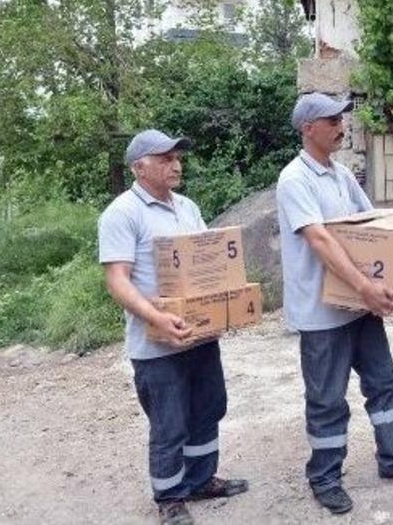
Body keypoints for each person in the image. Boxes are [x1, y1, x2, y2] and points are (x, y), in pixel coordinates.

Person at [275, 92, 393, 516]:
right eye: (332, 120)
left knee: (384, 382)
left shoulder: (341, 174)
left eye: (342, 119)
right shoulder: (295, 180)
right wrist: (366, 287)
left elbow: (376, 228)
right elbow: (320, 240)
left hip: (357, 307)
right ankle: (325, 477)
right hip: (322, 313)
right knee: (327, 399)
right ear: (308, 128)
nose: (341, 126)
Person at [98, 130, 248, 525]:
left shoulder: (187, 207)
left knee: (208, 408)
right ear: (139, 167)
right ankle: (169, 497)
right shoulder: (122, 213)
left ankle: (200, 480)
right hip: (157, 345)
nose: (176, 165)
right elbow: (117, 280)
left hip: (200, 336)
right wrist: (155, 317)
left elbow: (209, 265)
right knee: (169, 423)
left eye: (177, 158)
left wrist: (225, 310)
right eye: (165, 159)